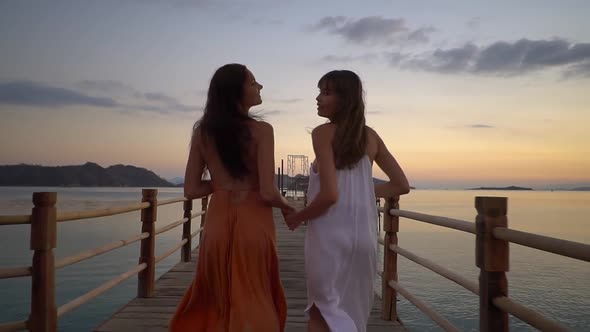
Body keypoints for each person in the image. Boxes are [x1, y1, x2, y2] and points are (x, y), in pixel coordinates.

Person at [285, 70, 410, 332]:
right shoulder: (371, 136)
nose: (318, 98)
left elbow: (330, 195)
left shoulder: (322, 133)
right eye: (319, 92)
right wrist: (362, 193)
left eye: (326, 93)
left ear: (346, 99)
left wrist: (298, 216)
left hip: (329, 239)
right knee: (352, 317)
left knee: (321, 314)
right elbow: (400, 185)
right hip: (364, 241)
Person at [169, 63, 291, 332]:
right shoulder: (262, 130)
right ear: (235, 91)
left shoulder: (203, 132)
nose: (259, 87)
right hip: (254, 224)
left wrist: (222, 184)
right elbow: (269, 192)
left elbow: (191, 190)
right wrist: (287, 207)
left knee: (215, 301)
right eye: (253, 83)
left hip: (217, 226)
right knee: (256, 298)